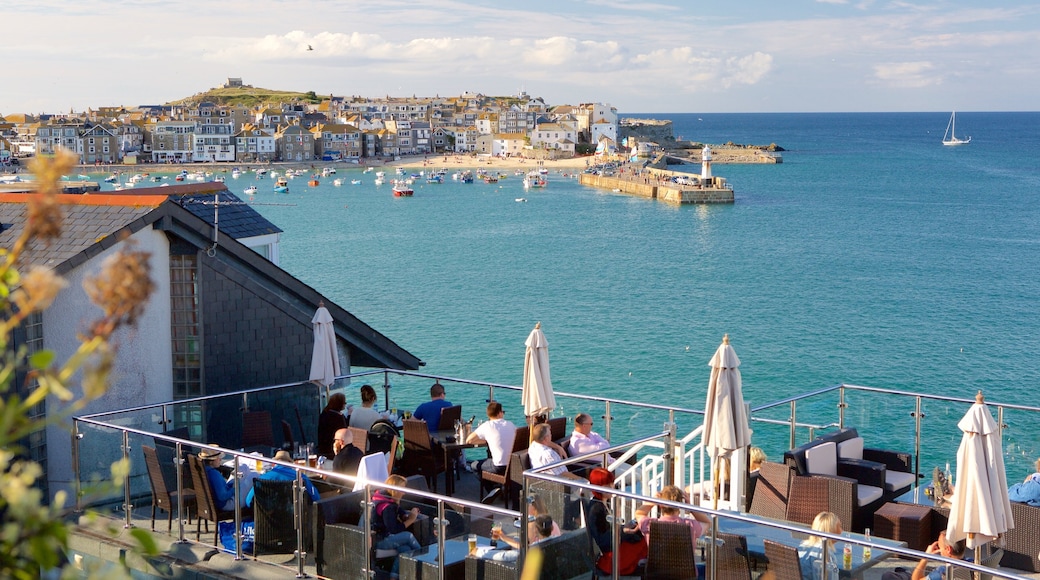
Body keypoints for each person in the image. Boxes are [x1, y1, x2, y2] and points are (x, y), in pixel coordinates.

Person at [588, 467, 647, 575]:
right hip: (610, 554)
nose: (612, 487)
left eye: (612, 484)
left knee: (642, 537)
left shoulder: (604, 503)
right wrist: (623, 531)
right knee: (645, 541)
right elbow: (603, 540)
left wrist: (624, 528)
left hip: (614, 547)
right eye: (607, 486)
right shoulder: (596, 509)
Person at [370, 474, 423, 574]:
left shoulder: (383, 497)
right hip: (378, 541)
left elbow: (398, 510)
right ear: (395, 490)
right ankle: (424, 562)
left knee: (406, 550)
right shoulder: (387, 507)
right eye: (402, 489)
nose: (404, 492)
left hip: (381, 537)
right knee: (409, 536)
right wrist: (410, 520)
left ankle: (393, 576)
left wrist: (406, 515)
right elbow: (393, 529)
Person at [466, 401, 517, 501]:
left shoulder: (487, 425)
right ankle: (500, 489)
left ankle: (492, 490)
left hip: (499, 466)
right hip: (513, 466)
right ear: (499, 413)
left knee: (474, 465)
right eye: (503, 412)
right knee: (490, 460)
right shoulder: (511, 424)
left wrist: (486, 440)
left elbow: (469, 440)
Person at [635, 485, 709, 549]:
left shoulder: (649, 525)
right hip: (684, 565)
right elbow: (707, 522)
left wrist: (652, 501)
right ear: (680, 505)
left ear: (660, 505)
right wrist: (690, 506)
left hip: (657, 565)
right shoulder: (691, 526)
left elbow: (639, 513)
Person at [244, 449, 321, 507]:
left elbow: (248, 501)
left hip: (268, 524)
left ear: (274, 464)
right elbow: (316, 498)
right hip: (295, 523)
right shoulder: (300, 477)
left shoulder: (263, 478)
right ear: (290, 464)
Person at [199, 446, 257, 510]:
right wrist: (235, 488)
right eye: (218, 458)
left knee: (243, 467)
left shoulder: (204, 470)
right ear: (211, 462)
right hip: (227, 503)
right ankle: (251, 501)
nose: (220, 459)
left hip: (223, 496)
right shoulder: (214, 474)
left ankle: (248, 496)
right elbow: (223, 496)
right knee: (254, 475)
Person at [483, 514, 557, 562]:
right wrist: (504, 538)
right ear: (552, 527)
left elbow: (504, 556)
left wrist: (479, 552)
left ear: (536, 530)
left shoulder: (533, 549)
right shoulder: (560, 541)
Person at [797, 511, 842, 580]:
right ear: (832, 531)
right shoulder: (826, 553)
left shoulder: (803, 546)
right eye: (839, 527)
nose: (842, 530)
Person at [317, 392, 348, 459]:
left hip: (323, 448)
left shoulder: (324, 414)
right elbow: (345, 431)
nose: (345, 404)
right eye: (344, 403)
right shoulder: (339, 417)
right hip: (335, 450)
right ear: (340, 404)